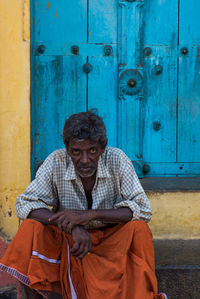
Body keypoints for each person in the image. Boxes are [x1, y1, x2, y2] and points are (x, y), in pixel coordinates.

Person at [0, 110, 167, 299]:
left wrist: (89, 215)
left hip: (110, 240)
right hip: (71, 241)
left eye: (92, 151)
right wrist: (72, 227)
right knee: (31, 226)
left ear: (102, 148)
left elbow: (143, 209)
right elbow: (25, 203)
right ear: (67, 148)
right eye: (76, 152)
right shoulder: (56, 160)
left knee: (139, 229)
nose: (84, 160)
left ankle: (139, 293)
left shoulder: (117, 159)